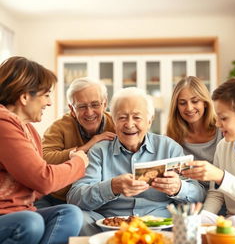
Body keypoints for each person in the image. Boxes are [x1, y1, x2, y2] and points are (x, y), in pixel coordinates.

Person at [67, 87, 206, 236]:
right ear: (114, 121)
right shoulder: (99, 151)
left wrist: (179, 187)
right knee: (76, 216)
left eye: (137, 117)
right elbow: (74, 197)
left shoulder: (169, 148)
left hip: (159, 226)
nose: (129, 124)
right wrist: (111, 187)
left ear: (149, 121)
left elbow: (199, 194)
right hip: (108, 227)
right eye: (122, 117)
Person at [0, 56, 89, 244]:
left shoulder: (29, 129)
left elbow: (36, 188)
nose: (49, 103)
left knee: (70, 213)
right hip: (10, 216)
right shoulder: (3, 123)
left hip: (21, 212)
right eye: (46, 95)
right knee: (31, 222)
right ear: (24, 97)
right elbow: (44, 179)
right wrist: (79, 162)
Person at [181, 76, 235, 239]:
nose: (217, 124)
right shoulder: (224, 146)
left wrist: (221, 177)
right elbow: (216, 194)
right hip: (229, 222)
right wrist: (203, 219)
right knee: (193, 222)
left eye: (223, 118)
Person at [36, 77, 116, 208]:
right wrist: (88, 145)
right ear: (72, 109)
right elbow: (43, 158)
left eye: (95, 104)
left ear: (105, 104)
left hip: (101, 199)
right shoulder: (59, 126)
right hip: (59, 198)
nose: (89, 112)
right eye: (82, 106)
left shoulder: (116, 124)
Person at [166, 76, 222, 190]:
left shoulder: (222, 130)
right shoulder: (172, 137)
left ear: (205, 103)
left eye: (195, 101)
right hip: (188, 200)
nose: (189, 108)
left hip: (221, 198)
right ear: (176, 106)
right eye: (182, 103)